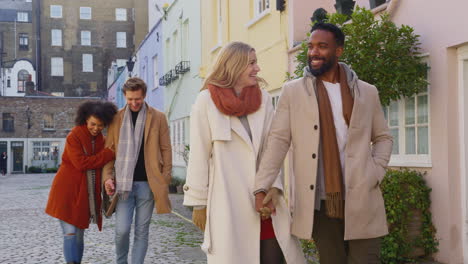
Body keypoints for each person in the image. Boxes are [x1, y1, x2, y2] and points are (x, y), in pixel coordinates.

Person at [254, 23, 393, 264]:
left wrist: (375, 171)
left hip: (363, 197)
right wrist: (261, 186)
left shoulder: (366, 92)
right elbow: (278, 141)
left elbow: (382, 137)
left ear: (338, 51)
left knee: (367, 260)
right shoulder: (293, 92)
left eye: (322, 46)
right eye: (310, 46)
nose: (313, 52)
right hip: (320, 202)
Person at [183, 41, 306, 264]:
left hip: (263, 199)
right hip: (228, 202)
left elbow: (273, 149)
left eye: (256, 62)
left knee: (275, 257)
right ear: (234, 65)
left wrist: (273, 187)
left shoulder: (264, 99)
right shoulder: (205, 102)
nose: (257, 68)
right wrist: (198, 203)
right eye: (251, 63)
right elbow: (198, 155)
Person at [102, 77, 172, 264]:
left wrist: (165, 178)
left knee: (142, 231)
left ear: (144, 96)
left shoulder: (158, 117)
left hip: (148, 184)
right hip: (123, 185)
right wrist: (107, 177)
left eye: (138, 99)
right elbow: (109, 152)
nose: (134, 103)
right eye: (130, 99)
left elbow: (166, 149)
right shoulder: (115, 119)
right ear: (124, 96)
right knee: (122, 230)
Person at [45, 101, 117, 264]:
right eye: (93, 124)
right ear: (85, 119)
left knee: (78, 234)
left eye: (100, 125)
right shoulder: (74, 136)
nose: (96, 128)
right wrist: (107, 154)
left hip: (85, 194)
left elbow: (100, 163)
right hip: (66, 191)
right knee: (70, 232)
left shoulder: (102, 140)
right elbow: (81, 163)